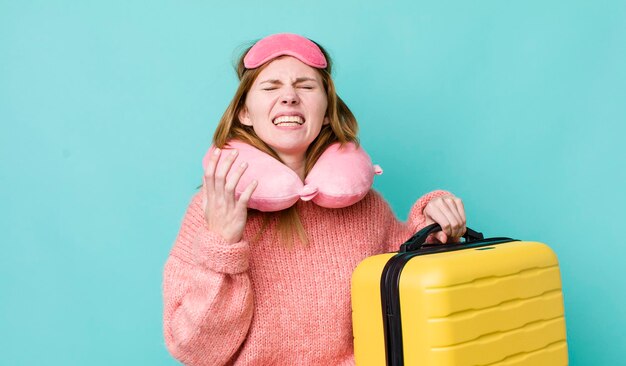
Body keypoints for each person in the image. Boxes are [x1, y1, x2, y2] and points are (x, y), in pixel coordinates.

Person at [162, 33, 467, 366]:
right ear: (245, 114)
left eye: (305, 86)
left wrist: (435, 220)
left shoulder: (367, 208)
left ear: (325, 113)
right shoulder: (209, 211)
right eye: (270, 87)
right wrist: (221, 244)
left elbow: (412, 294)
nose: (289, 97)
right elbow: (196, 352)